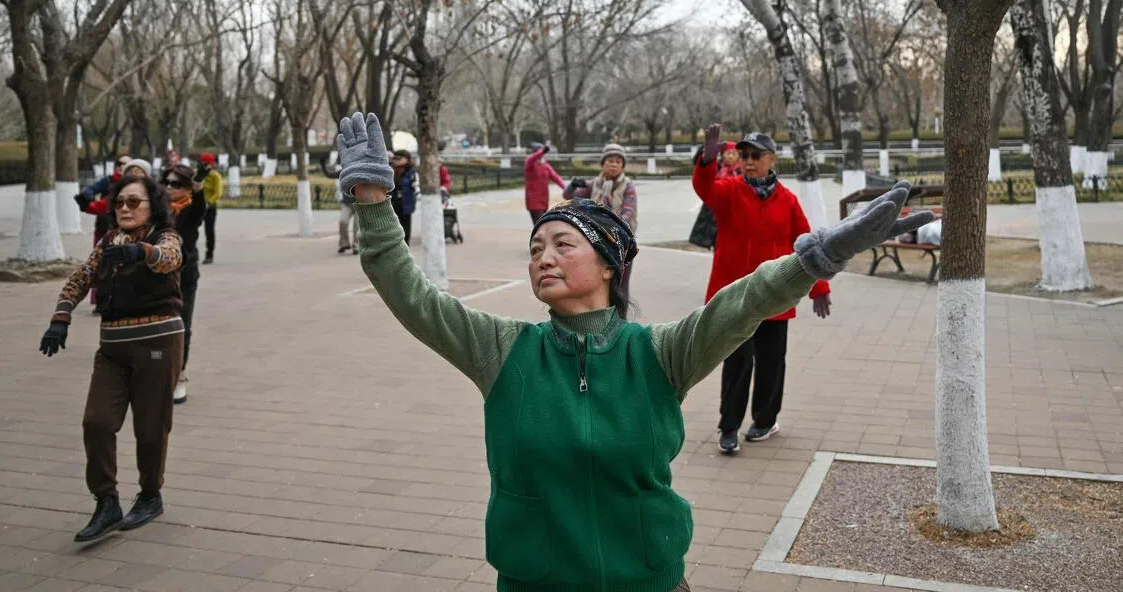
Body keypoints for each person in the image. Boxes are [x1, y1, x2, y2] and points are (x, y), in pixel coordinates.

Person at [334, 111, 930, 592]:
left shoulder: (658, 354)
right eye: (536, 246)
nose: (543, 256)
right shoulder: (503, 351)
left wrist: (813, 262)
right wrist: (372, 202)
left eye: (562, 243)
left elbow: (742, 304)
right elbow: (409, 294)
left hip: (649, 583)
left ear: (608, 264)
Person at [39, 175, 185, 542]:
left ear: (153, 206)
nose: (124, 208)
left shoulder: (164, 236)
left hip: (158, 342)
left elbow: (171, 258)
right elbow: (79, 279)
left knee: (150, 428)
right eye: (119, 202)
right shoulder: (109, 242)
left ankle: (151, 495)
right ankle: (106, 501)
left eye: (134, 202)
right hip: (113, 348)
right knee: (96, 422)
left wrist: (143, 252)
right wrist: (60, 318)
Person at [693, 126, 832, 454]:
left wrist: (819, 288)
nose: (749, 161)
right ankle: (728, 427)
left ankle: (766, 420)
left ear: (772, 160)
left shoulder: (788, 201)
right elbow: (704, 188)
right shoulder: (728, 192)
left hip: (775, 296)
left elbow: (807, 247)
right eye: (744, 156)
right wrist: (707, 160)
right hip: (737, 299)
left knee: (772, 361)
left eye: (756, 156)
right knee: (737, 362)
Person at [160, 164, 208, 404]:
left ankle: (180, 376)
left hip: (185, 276)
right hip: (158, 276)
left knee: (181, 326)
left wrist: (199, 189)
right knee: (159, 326)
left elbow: (200, 207)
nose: (169, 188)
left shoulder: (191, 209)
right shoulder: (156, 208)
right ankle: (159, 375)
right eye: (166, 182)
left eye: (176, 184)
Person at [565, 142, 637, 287]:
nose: (614, 165)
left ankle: (620, 310)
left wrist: (609, 225)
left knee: (620, 285)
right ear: (602, 164)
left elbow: (628, 213)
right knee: (598, 282)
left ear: (623, 166)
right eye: (610, 161)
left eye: (618, 162)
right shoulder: (594, 184)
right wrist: (572, 185)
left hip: (621, 243)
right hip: (596, 241)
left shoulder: (627, 186)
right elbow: (569, 197)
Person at [74, 155, 131, 313]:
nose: (122, 166)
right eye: (120, 163)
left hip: (132, 236)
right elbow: (101, 204)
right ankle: (102, 302)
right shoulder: (109, 182)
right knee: (102, 266)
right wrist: (86, 201)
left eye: (127, 164)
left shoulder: (144, 188)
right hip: (106, 230)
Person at [321, 155, 359, 255]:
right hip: (347, 203)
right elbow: (329, 175)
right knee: (343, 221)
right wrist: (323, 164)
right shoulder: (343, 172)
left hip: (360, 204)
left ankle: (357, 246)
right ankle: (344, 244)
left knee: (357, 225)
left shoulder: (361, 172)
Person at [524, 143, 566, 223]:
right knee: (540, 225)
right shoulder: (530, 163)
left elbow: (555, 176)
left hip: (544, 200)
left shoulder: (545, 165)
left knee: (542, 225)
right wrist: (542, 151)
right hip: (534, 201)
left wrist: (566, 188)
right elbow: (532, 158)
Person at [198, 153, 223, 264]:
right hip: (198, 206)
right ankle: (191, 252)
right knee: (191, 229)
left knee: (209, 230)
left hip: (210, 207)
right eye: (202, 163)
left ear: (211, 164)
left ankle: (209, 254)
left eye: (206, 164)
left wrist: (209, 202)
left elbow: (218, 193)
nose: (204, 165)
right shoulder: (198, 175)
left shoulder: (215, 176)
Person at [390, 149, 418, 244]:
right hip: (393, 201)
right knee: (394, 227)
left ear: (406, 159)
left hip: (406, 202)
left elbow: (414, 185)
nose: (396, 161)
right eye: (395, 158)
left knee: (405, 226)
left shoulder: (411, 170)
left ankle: (406, 246)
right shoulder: (391, 169)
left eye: (399, 159)